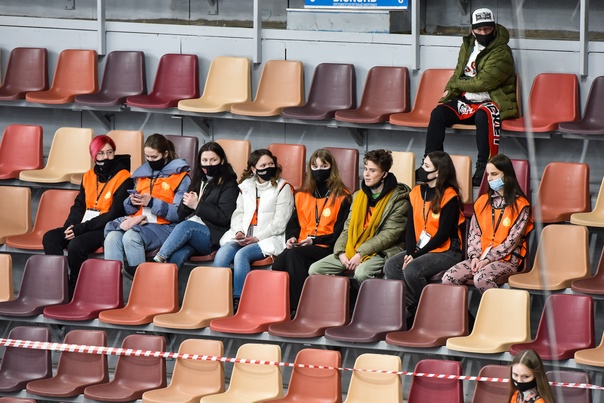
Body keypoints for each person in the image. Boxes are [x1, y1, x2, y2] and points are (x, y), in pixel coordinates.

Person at [423, 7, 517, 186]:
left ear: (494, 28)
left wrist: (459, 83)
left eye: (488, 29)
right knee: (438, 113)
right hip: (468, 101)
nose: (484, 33)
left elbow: (482, 83)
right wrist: (449, 91)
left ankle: (484, 167)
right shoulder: (468, 46)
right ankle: (432, 164)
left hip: (493, 101)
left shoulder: (502, 51)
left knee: (483, 116)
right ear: (473, 30)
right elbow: (458, 73)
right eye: (479, 29)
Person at [43, 135, 133, 292]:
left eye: (110, 152)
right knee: (50, 238)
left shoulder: (124, 177)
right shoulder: (88, 176)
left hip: (105, 227)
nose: (106, 157)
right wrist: (71, 225)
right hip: (84, 224)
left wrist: (79, 229)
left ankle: (75, 288)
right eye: (101, 153)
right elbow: (79, 205)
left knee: (76, 245)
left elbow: (112, 214)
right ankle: (59, 286)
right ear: (93, 156)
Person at [308, 149, 410, 285]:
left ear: (384, 174)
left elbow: (388, 235)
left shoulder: (399, 200)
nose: (366, 174)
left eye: (372, 171)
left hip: (382, 251)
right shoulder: (358, 196)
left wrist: (361, 253)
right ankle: (346, 296)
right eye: (366, 169)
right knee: (315, 269)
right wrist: (340, 252)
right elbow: (347, 228)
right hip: (354, 249)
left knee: (362, 273)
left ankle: (368, 298)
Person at [383, 151, 464, 320]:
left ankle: (429, 312)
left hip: (447, 250)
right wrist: (410, 253)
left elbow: (442, 235)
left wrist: (416, 255)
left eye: (426, 166)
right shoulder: (416, 192)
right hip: (421, 249)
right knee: (391, 266)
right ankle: (415, 307)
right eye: (423, 164)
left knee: (412, 270)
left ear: (438, 172)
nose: (421, 169)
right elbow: (410, 227)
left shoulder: (450, 196)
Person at [272, 148, 352, 312]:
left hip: (327, 246)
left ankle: (300, 308)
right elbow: (294, 224)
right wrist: (292, 237)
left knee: (294, 255)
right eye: (315, 167)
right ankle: (281, 306)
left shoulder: (342, 196)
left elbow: (339, 234)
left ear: (331, 168)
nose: (319, 170)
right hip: (303, 244)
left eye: (324, 166)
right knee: (279, 263)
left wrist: (314, 241)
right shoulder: (302, 194)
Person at [213, 148, 294, 308]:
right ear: (253, 169)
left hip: (269, 237)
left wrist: (257, 238)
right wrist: (239, 231)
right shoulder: (246, 186)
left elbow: (280, 223)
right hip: (245, 236)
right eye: (263, 165)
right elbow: (238, 213)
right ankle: (219, 300)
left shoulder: (283, 187)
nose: (268, 168)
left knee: (241, 255)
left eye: (271, 164)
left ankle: (239, 301)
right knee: (222, 254)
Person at [104, 133, 191, 279]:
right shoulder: (142, 174)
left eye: (154, 157)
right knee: (112, 237)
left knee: (131, 237)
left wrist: (151, 202)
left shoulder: (181, 177)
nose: (150, 160)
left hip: (166, 226)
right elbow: (129, 210)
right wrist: (132, 202)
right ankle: (112, 288)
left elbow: (178, 214)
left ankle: (143, 286)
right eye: (147, 157)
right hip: (140, 222)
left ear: (165, 154)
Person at [442, 154, 533, 292]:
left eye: (494, 174)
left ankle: (497, 306)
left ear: (507, 175)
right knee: (448, 277)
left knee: (481, 279)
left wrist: (488, 260)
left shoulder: (521, 205)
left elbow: (512, 242)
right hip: (480, 257)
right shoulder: (482, 201)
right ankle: (462, 308)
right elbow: (474, 234)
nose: (489, 179)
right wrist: (474, 257)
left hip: (506, 260)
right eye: (488, 174)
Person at [151, 141, 239, 269]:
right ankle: (165, 280)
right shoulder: (199, 179)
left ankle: (157, 261)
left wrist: (197, 206)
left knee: (187, 226)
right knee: (176, 255)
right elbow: (181, 213)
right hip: (193, 235)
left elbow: (224, 217)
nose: (208, 164)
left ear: (222, 161)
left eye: (213, 160)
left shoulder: (229, 184)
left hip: (214, 236)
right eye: (205, 160)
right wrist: (188, 203)